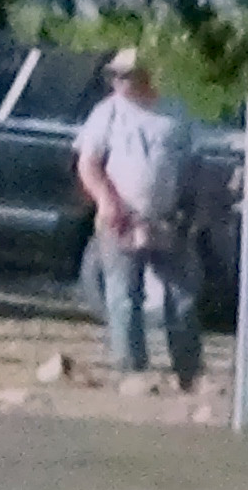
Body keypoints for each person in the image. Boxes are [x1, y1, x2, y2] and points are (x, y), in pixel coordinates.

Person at [73, 46, 200, 388]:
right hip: (121, 217)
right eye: (115, 75)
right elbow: (88, 164)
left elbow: (192, 164)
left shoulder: (176, 112)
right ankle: (131, 370)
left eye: (126, 75)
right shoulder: (106, 113)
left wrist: (189, 210)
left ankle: (188, 371)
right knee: (123, 295)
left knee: (182, 298)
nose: (119, 81)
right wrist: (107, 201)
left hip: (167, 219)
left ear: (146, 75)